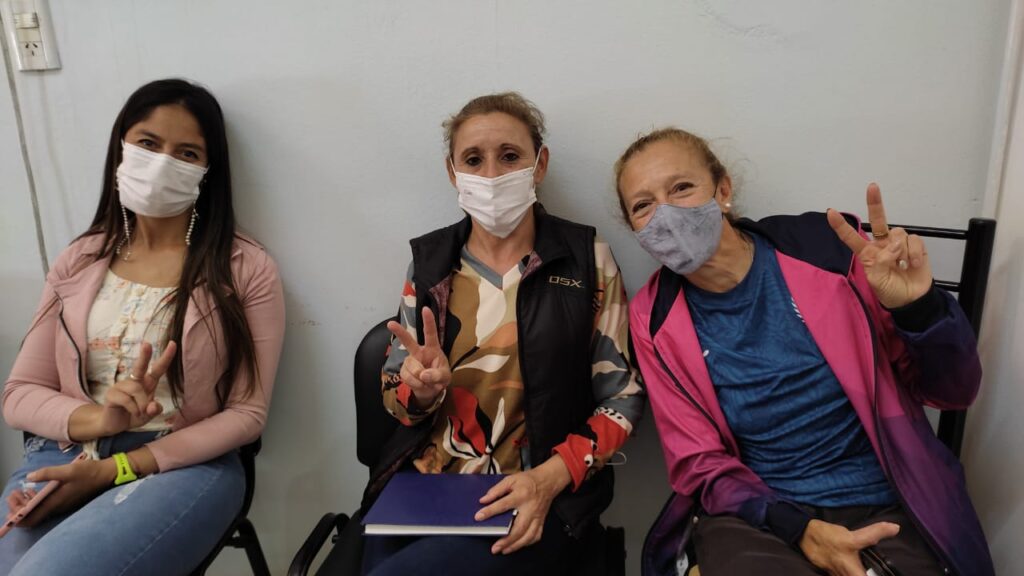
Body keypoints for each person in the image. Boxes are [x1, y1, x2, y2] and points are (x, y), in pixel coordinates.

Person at [615, 128, 993, 576]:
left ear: (723, 190)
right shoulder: (653, 318)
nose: (666, 214)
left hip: (888, 500)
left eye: (681, 188)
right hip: (761, 517)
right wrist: (798, 528)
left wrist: (918, 308)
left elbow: (954, 392)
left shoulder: (829, 251)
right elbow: (699, 463)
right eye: (643, 206)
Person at [0, 79, 285, 575]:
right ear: (121, 148)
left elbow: (247, 413)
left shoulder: (245, 268)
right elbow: (20, 393)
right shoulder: (79, 259)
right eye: (148, 144)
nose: (161, 164)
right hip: (66, 452)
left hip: (183, 464)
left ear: (208, 171)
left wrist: (116, 468)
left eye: (187, 153)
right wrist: (100, 420)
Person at [353, 92, 643, 576]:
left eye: (509, 156)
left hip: (537, 492)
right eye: (473, 159)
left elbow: (624, 397)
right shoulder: (430, 267)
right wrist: (419, 391)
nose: (491, 174)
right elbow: (396, 397)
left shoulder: (588, 261)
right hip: (430, 486)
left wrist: (551, 477)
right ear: (453, 172)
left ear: (539, 164)